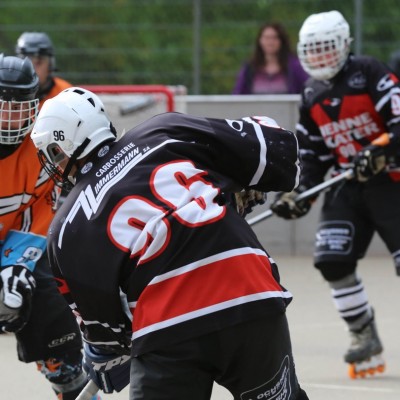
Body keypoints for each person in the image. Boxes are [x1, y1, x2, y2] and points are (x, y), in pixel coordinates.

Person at [30, 86, 309, 400]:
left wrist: (105, 355)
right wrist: (234, 184)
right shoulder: (163, 130)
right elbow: (278, 147)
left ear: (61, 148)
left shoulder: (65, 228)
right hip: (249, 290)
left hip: (168, 325)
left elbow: (107, 334)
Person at [270, 10, 400, 379]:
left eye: (327, 48)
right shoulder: (310, 93)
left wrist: (380, 150)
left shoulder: (370, 72)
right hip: (347, 183)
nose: (320, 57)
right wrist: (301, 193)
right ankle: (363, 332)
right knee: (331, 259)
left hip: (391, 180)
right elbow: (313, 153)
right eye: (313, 50)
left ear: (344, 45)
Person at [0, 55, 98, 399]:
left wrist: (17, 264)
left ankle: (67, 377)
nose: (12, 117)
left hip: (17, 240)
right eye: (4, 107)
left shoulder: (40, 146)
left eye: (20, 108)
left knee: (60, 335)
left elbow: (42, 207)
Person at [232, 22, 308, 95]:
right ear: (260, 41)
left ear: (282, 41)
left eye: (275, 38)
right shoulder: (249, 68)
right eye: (266, 38)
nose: (270, 42)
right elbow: (237, 95)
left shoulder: (294, 67)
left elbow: (307, 89)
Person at [15, 31, 72, 109]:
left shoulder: (65, 94)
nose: (32, 69)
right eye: (26, 63)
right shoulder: (7, 94)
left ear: (50, 65)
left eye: (38, 62)